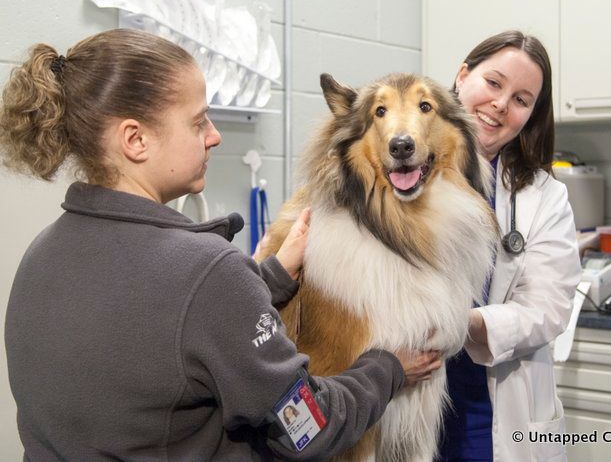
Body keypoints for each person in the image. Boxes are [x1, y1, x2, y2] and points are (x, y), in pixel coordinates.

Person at [0, 28, 442, 461]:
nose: (214, 135)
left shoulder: (41, 254)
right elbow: (309, 428)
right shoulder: (207, 271)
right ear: (135, 140)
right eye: (198, 122)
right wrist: (387, 367)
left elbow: (168, 325)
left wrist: (270, 276)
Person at [438, 30, 582, 462]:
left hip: (495, 415)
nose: (501, 104)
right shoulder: (404, 170)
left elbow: (549, 307)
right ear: (463, 76)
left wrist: (456, 323)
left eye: (521, 99)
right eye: (494, 83)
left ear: (531, 115)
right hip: (404, 400)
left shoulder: (544, 197)